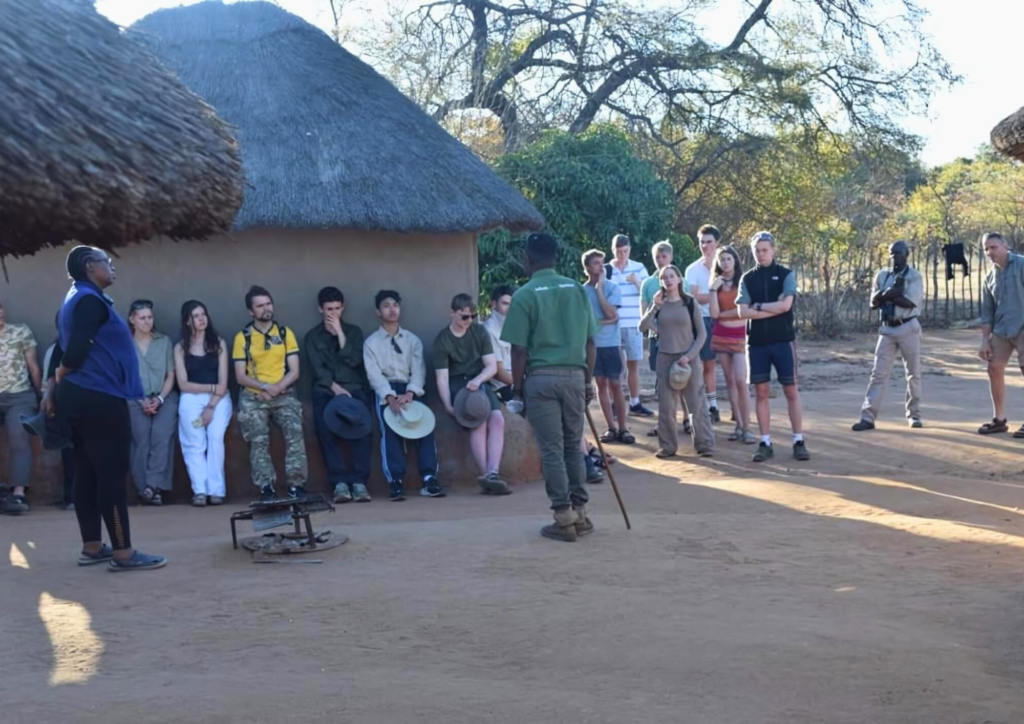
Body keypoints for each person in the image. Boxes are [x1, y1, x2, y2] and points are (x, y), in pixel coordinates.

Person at [45, 246, 166, 570]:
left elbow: (62, 347)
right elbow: (72, 354)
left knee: (86, 470)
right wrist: (60, 374)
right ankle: (123, 553)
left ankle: (93, 546)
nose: (112, 267)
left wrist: (55, 385)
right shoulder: (88, 300)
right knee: (111, 474)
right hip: (98, 395)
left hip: (81, 396)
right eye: (107, 262)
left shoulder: (73, 299)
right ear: (89, 266)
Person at [502, 232, 598, 542]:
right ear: (556, 258)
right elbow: (591, 341)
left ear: (528, 259)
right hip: (574, 375)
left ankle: (563, 515)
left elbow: (518, 349)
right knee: (573, 446)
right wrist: (587, 381)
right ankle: (580, 513)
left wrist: (517, 390)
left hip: (542, 378)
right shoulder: (576, 289)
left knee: (552, 450)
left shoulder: (525, 294)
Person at [737, 231, 810, 462]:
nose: (761, 254)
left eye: (765, 250)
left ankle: (798, 440)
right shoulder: (747, 279)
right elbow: (742, 311)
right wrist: (770, 306)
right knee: (761, 392)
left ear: (773, 250)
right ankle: (765, 442)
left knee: (791, 390)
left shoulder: (786, 274)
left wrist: (757, 307)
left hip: (783, 340)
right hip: (757, 343)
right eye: (757, 250)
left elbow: (786, 306)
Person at [364, 289, 442, 501]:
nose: (392, 309)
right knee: (389, 433)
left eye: (395, 305)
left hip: (411, 389)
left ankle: (428, 478)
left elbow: (419, 369)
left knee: (424, 429)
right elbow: (373, 374)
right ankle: (395, 481)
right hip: (386, 391)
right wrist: (389, 397)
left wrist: (410, 393)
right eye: (386, 305)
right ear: (378, 311)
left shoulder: (412, 340)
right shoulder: (371, 343)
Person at [233, 285, 308, 501]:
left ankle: (296, 485)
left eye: (268, 304)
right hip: (254, 395)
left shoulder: (284, 333)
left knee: (295, 432)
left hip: (283, 392)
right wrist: (264, 388)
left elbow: (294, 371)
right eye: (260, 306)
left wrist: (277, 388)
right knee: (258, 439)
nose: (266, 309)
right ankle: (266, 487)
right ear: (251, 311)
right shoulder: (243, 337)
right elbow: (240, 376)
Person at [434, 293, 510, 495]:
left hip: (480, 380)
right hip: (459, 384)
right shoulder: (442, 340)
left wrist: (478, 380)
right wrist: (449, 405)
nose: (469, 321)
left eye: (472, 316)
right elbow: (442, 378)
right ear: (452, 313)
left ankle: (493, 473)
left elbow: (491, 366)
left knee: (497, 419)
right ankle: (486, 474)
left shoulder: (479, 332)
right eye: (464, 316)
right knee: (478, 421)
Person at [305, 286, 374, 504]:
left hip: (353, 388)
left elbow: (354, 360)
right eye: (329, 309)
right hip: (327, 390)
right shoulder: (312, 337)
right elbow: (318, 371)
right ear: (320, 309)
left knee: (362, 427)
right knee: (325, 429)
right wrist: (335, 389)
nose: (333, 313)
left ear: (343, 308)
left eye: (337, 308)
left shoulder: (354, 332)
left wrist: (340, 334)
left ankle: (360, 482)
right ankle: (339, 484)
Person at [640, 265, 715, 457]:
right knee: (666, 406)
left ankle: (704, 444)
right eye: (664, 278)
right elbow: (643, 327)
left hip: (688, 358)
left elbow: (702, 334)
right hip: (665, 357)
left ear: (679, 279)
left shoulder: (690, 303)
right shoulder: (659, 304)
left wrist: (689, 356)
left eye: (672, 276)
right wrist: (654, 306)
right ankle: (668, 447)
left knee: (696, 403)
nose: (669, 280)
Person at [852, 241, 925, 431]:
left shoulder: (914, 276)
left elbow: (909, 302)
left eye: (899, 253)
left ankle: (914, 415)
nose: (895, 257)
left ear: (907, 254)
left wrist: (885, 296)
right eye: (892, 253)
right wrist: (889, 293)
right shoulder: (882, 275)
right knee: (878, 374)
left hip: (908, 326)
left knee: (913, 373)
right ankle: (867, 417)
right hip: (887, 329)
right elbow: (873, 303)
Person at [174, 301, 231, 506]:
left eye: (203, 314)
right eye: (196, 316)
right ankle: (200, 490)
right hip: (191, 399)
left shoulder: (219, 344)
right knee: (194, 443)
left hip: (218, 400)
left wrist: (211, 405)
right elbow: (183, 384)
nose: (201, 319)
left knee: (215, 439)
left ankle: (216, 491)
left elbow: (223, 385)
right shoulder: (180, 348)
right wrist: (210, 387)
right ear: (188, 321)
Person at [127, 300, 178, 506]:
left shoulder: (164, 342)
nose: (147, 321)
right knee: (141, 440)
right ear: (132, 320)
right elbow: (124, 377)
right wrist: (142, 401)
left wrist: (159, 399)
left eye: (149, 317)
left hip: (164, 397)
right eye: (142, 318)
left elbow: (171, 375)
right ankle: (145, 487)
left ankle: (153, 486)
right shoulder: (124, 344)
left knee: (161, 436)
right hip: (135, 398)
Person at [640, 240, 691, 437]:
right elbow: (644, 314)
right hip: (658, 340)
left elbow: (687, 311)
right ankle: (664, 424)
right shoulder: (648, 283)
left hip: (680, 341)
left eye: (664, 256)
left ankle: (688, 420)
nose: (661, 260)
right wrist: (659, 331)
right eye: (657, 257)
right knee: (662, 383)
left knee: (683, 379)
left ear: (671, 257)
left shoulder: (681, 280)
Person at [582, 249, 633, 444]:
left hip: (611, 344)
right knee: (600, 385)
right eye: (596, 263)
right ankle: (611, 427)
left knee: (616, 385)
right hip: (592, 345)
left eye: (602, 263)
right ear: (587, 267)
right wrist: (600, 322)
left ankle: (623, 427)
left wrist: (600, 288)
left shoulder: (612, 288)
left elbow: (611, 314)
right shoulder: (581, 290)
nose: (601, 267)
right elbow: (588, 320)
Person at [708, 246, 756, 444]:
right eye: (722, 260)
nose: (725, 263)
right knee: (729, 380)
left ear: (735, 261)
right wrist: (712, 289)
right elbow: (713, 314)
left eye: (729, 259)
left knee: (740, 380)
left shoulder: (743, 281)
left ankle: (747, 427)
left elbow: (745, 310)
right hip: (721, 335)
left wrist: (724, 314)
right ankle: (738, 425)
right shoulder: (716, 284)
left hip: (740, 336)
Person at [978, 231, 1024, 436]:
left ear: (1005, 246)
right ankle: (999, 419)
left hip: (1023, 325)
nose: (989, 252)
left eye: (993, 247)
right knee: (994, 367)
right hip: (1002, 329)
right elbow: (987, 313)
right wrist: (984, 341)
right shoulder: (989, 278)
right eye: (986, 249)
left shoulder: (1022, 265)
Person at [0, 300, 42, 516]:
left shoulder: (20, 332)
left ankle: (18, 492)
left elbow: (33, 367)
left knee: (19, 438)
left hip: (20, 396)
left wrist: (41, 395)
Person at [607, 234, 653, 416]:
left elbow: (648, 292)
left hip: (634, 323)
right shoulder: (607, 269)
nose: (622, 255)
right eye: (618, 252)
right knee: (616, 367)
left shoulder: (638, 268)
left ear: (629, 250)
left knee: (633, 365)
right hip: (614, 325)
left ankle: (635, 402)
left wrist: (636, 282)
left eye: (625, 251)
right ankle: (614, 403)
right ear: (613, 250)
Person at [685, 224, 721, 423]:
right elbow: (694, 297)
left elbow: (729, 296)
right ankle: (706, 407)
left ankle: (718, 406)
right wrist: (715, 293)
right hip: (701, 320)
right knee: (701, 364)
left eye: (709, 242)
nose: (705, 246)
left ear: (717, 243)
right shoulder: (692, 269)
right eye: (702, 242)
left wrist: (714, 276)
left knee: (719, 366)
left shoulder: (726, 265)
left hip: (724, 320)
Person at [483, 285, 515, 403]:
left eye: (513, 304)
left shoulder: (516, 326)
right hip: (502, 388)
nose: (510, 308)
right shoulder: (489, 330)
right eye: (505, 303)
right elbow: (499, 372)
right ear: (493, 304)